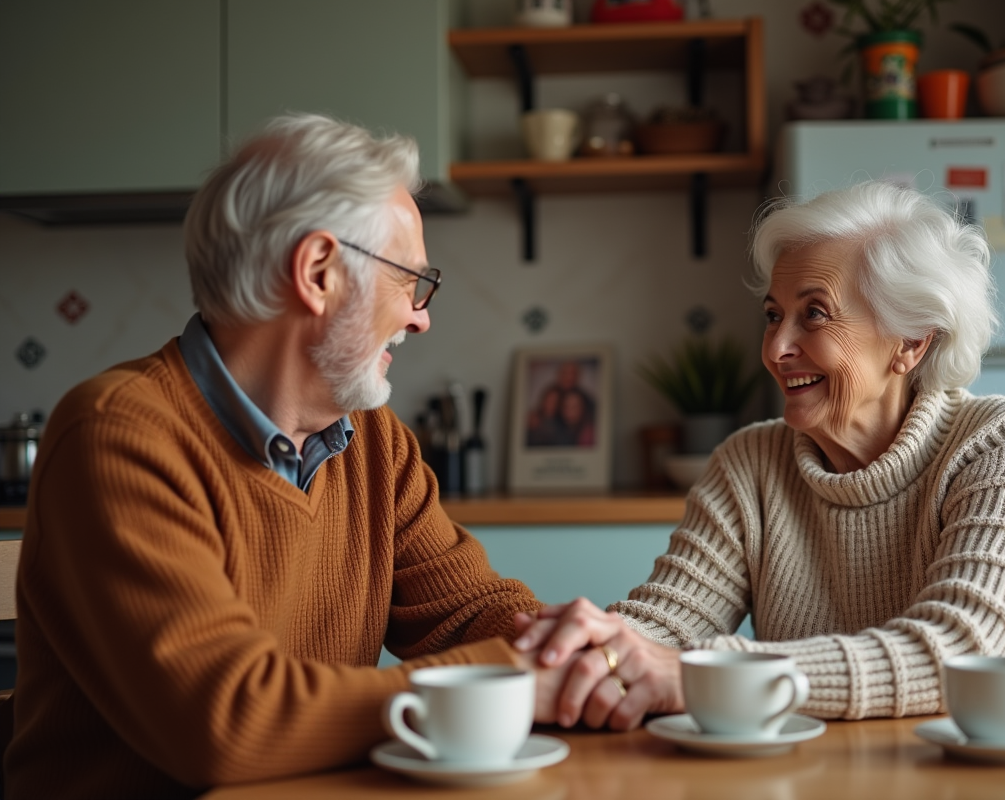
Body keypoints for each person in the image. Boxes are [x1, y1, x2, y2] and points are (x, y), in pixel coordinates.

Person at [3, 114, 578, 800]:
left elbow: (468, 612)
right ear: (317, 272)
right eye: (410, 280)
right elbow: (228, 722)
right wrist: (517, 677)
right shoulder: (117, 436)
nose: (421, 316)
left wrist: (566, 648)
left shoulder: (376, 442)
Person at [513, 180, 1005, 731]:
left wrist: (703, 675)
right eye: (773, 316)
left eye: (814, 314)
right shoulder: (749, 464)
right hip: (842, 767)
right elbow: (667, 627)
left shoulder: (1003, 441)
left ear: (910, 341)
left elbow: (964, 652)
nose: (776, 348)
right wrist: (600, 646)